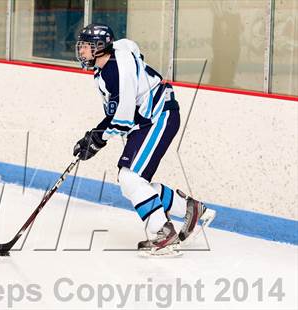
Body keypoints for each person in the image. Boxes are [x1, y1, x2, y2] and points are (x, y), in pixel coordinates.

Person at [73, 23, 216, 253]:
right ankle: (190, 208)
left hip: (159, 117)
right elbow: (116, 111)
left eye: (86, 47)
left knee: (129, 177)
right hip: (148, 119)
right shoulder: (106, 67)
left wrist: (98, 140)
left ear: (99, 48)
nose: (81, 51)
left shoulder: (114, 70)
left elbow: (123, 118)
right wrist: (93, 135)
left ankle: (163, 232)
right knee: (133, 183)